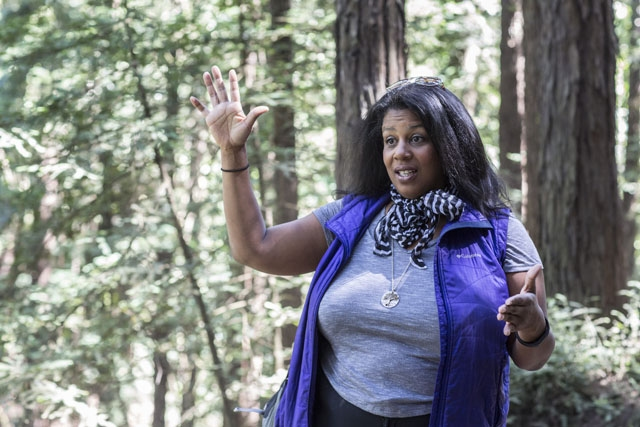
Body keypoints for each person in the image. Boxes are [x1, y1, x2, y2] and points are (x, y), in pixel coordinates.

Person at [190, 66, 555, 427]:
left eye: (417, 138)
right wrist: (232, 154)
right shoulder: (350, 219)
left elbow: (533, 357)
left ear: (449, 146)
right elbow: (255, 248)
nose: (400, 152)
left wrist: (533, 326)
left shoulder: (497, 233)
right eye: (390, 140)